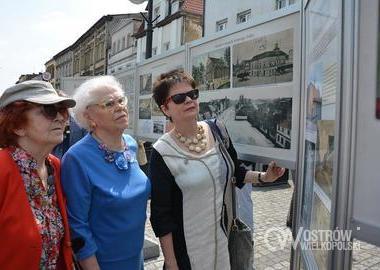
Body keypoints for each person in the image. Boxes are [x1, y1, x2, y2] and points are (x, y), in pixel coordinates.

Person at [149, 69, 285, 270]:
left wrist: (265, 176)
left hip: (224, 242)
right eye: (179, 98)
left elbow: (235, 172)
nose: (189, 100)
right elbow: (161, 215)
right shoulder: (162, 152)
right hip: (188, 251)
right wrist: (171, 263)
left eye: (193, 94)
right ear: (165, 108)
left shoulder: (217, 130)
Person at [61, 76, 151, 270]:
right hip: (104, 263)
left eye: (121, 100)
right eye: (109, 103)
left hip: (136, 258)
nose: (119, 107)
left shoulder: (131, 144)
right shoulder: (77, 158)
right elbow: (77, 226)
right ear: (89, 117)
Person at [0, 80, 76, 269]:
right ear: (17, 125)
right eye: (49, 110)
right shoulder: (2, 169)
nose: (60, 118)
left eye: (63, 111)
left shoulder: (55, 166)